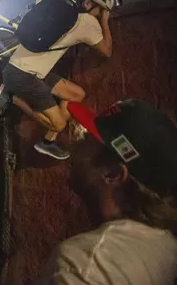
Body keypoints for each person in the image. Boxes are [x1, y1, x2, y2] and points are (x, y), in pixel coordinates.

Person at [38, 99, 177, 284]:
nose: (75, 146)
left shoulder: (83, 267)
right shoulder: (167, 247)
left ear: (113, 174)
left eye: (86, 139)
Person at [0, 0, 115, 159]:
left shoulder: (61, 9)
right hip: (23, 76)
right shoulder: (87, 22)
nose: (100, 13)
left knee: (77, 94)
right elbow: (107, 51)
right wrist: (105, 21)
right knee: (59, 124)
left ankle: (47, 142)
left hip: (25, 68)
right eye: (101, 9)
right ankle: (12, 96)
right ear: (90, 4)